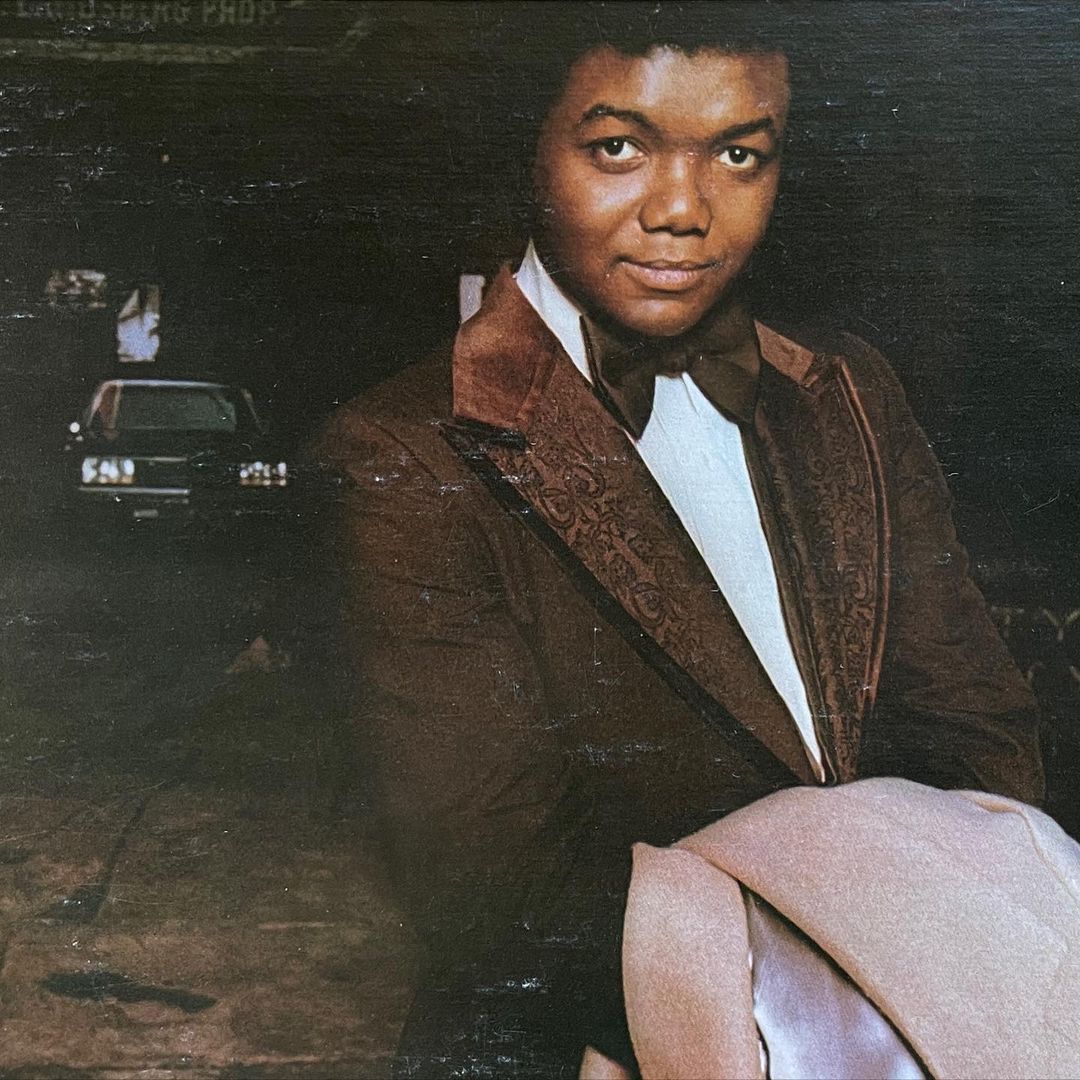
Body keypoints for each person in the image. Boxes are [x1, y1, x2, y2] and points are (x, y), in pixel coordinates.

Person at [311, 5, 1044, 1076]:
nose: (683, 211)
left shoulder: (848, 390)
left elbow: (984, 739)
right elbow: (500, 892)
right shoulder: (405, 453)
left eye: (739, 154)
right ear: (527, 150)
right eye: (619, 148)